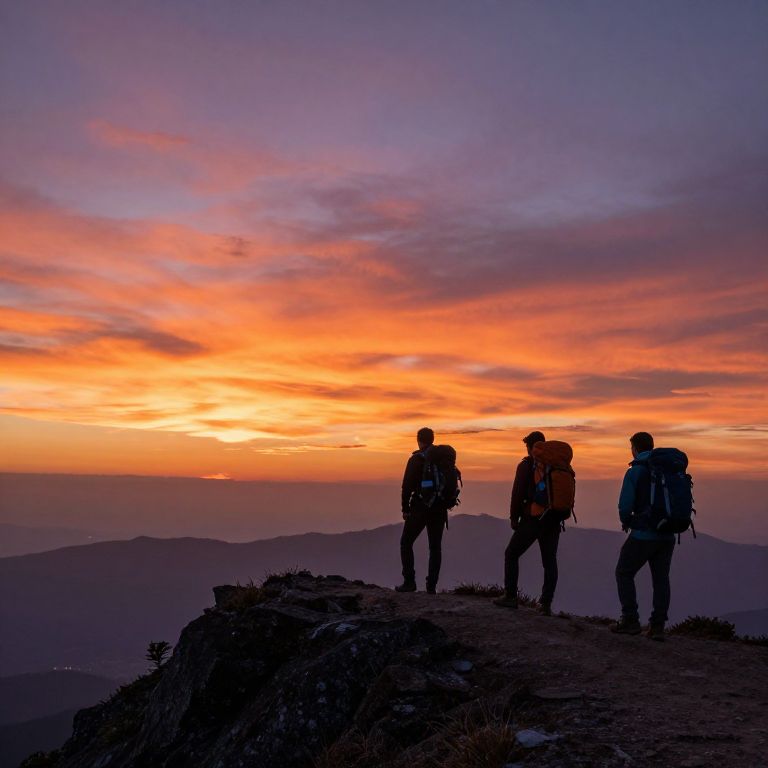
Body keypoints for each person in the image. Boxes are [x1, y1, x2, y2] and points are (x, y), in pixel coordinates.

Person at [611, 431, 676, 641]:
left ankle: (630, 620)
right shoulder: (667, 469)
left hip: (643, 535)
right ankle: (657, 627)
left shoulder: (636, 471)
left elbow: (625, 505)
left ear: (635, 448)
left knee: (624, 572)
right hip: (667, 534)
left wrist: (627, 520)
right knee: (661, 579)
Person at [493, 431, 560, 615]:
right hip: (553, 520)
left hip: (533, 519)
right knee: (549, 562)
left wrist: (514, 517)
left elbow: (517, 493)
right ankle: (545, 604)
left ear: (530, 447)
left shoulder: (527, 465)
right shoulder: (556, 465)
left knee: (511, 553)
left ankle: (510, 596)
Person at [396, 427, 446, 595]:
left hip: (420, 507)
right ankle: (431, 587)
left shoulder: (416, 459)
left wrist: (405, 508)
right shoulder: (443, 458)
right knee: (435, 548)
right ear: (432, 439)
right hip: (439, 509)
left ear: (419, 440)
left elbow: (406, 486)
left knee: (406, 542)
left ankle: (409, 582)